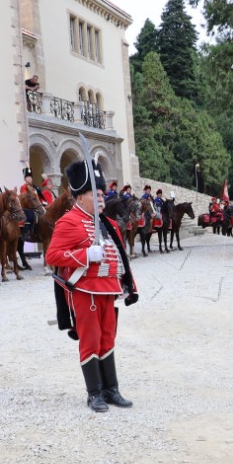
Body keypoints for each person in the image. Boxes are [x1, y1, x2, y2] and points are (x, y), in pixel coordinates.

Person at [46, 159, 138, 413]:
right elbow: (52, 256)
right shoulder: (68, 221)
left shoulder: (106, 223)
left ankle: (112, 390)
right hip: (85, 289)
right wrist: (86, 255)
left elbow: (121, 256)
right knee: (91, 339)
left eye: (101, 193)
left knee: (108, 337)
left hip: (109, 288)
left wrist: (129, 286)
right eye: (94, 193)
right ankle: (94, 393)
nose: (100, 197)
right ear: (79, 196)